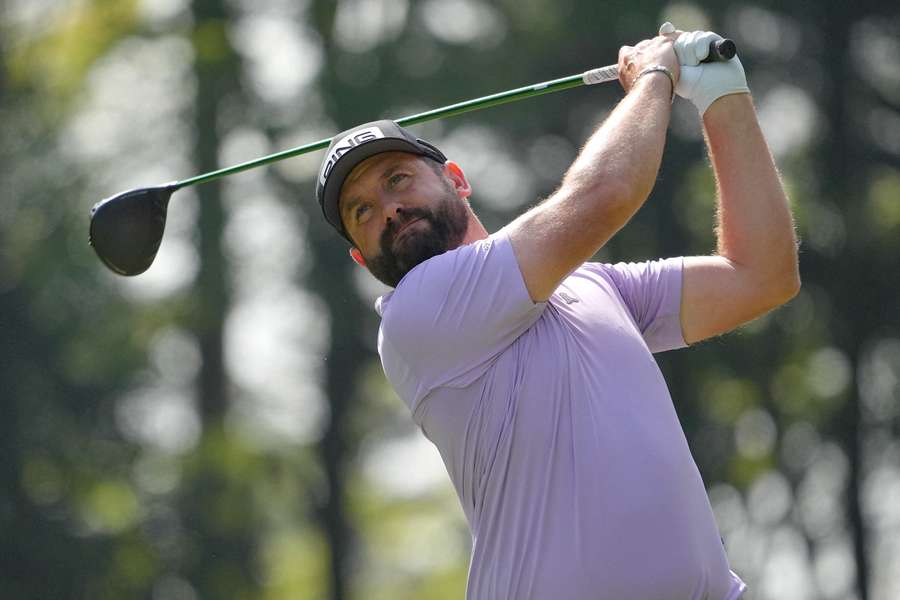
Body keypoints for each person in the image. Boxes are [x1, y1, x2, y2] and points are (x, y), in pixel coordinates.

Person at [315, 24, 798, 600]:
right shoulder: (418, 314)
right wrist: (655, 78)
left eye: (397, 180)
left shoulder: (593, 287)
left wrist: (723, 92)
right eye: (362, 211)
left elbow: (762, 276)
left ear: (456, 180)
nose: (389, 210)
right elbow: (603, 195)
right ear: (357, 254)